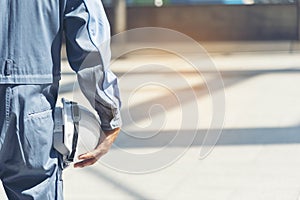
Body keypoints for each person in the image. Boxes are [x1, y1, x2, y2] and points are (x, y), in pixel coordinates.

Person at [0, 0, 121, 199]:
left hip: (30, 102)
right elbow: (89, 43)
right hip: (30, 108)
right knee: (35, 186)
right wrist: (109, 116)